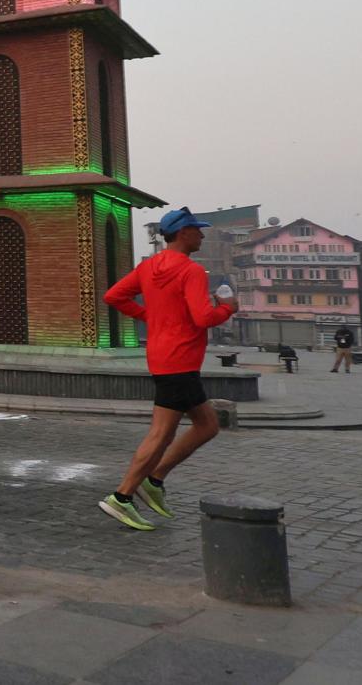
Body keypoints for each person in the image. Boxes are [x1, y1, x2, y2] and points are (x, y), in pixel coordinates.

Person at [97, 207, 237, 531]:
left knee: (207, 424)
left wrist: (149, 317)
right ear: (184, 233)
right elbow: (203, 318)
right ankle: (123, 496)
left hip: (164, 355)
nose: (202, 235)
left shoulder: (149, 267)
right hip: (181, 358)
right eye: (198, 230)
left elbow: (113, 296)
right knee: (162, 432)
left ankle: (154, 481)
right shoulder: (191, 271)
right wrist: (228, 308)